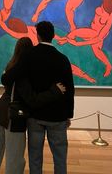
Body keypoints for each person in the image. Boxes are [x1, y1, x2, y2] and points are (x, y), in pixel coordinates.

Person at [0, 37, 66, 174]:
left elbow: (6, 81)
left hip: (0, 113)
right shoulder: (24, 72)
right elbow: (32, 99)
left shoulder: (11, 65)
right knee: (15, 159)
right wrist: (54, 91)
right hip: (14, 117)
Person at [23, 21, 75, 174]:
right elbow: (70, 90)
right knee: (60, 158)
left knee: (35, 157)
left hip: (35, 114)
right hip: (58, 116)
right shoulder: (63, 59)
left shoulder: (29, 56)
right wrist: (68, 115)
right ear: (53, 36)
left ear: (37, 35)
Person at [56, 0, 112, 77]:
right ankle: (65, 39)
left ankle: (109, 66)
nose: (102, 10)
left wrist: (79, 44)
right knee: (96, 50)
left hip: (95, 34)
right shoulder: (107, 1)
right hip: (92, 30)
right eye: (102, 7)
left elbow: (98, 38)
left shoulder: (108, 22)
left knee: (96, 50)